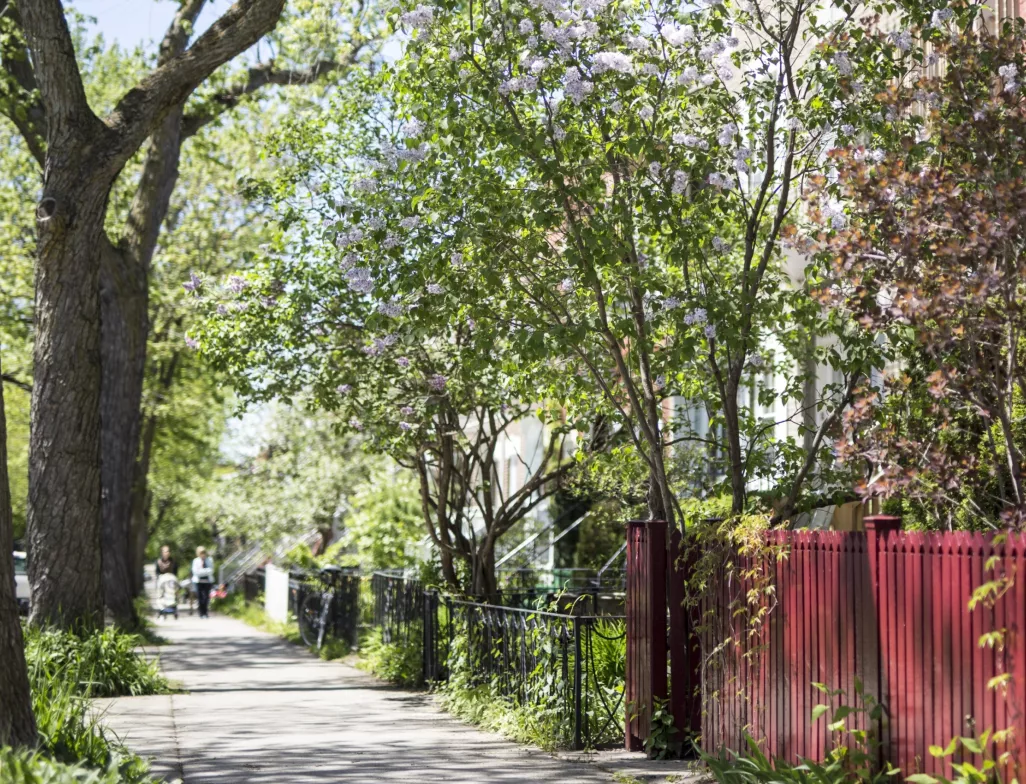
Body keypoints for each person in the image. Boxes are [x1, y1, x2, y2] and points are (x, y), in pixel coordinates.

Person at [191, 546, 215, 618]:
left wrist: (202, 571)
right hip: (198, 582)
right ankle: (201, 613)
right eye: (201, 553)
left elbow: (211, 570)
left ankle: (205, 612)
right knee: (200, 598)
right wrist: (205, 571)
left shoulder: (209, 560)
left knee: (206, 598)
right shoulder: (196, 561)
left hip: (207, 582)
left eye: (204, 553)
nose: (203, 555)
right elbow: (196, 572)